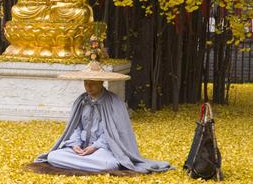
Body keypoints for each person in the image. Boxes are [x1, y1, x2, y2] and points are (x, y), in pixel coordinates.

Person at [34, 62, 175, 174]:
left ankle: (85, 163)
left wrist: (94, 147)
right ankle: (84, 163)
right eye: (86, 83)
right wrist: (75, 145)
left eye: (92, 83)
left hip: (104, 150)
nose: (88, 87)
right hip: (80, 149)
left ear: (101, 82)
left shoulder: (115, 102)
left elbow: (115, 134)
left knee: (109, 164)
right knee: (53, 156)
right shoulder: (81, 101)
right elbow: (75, 127)